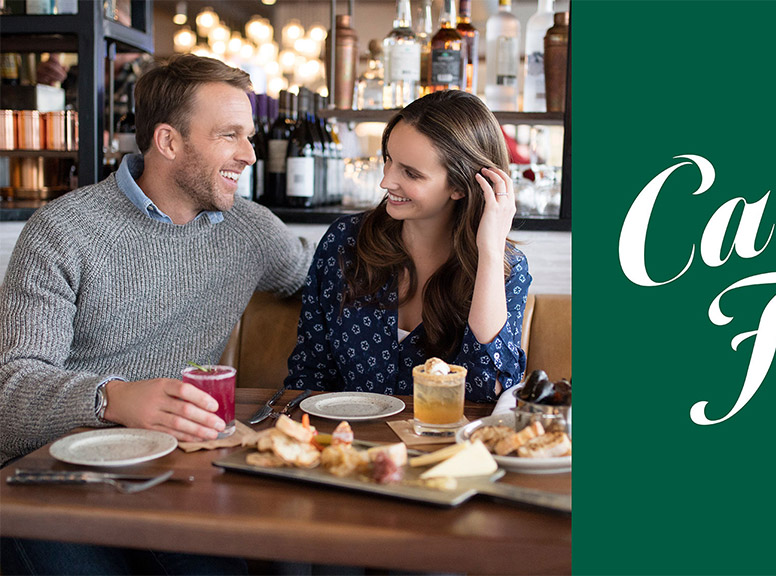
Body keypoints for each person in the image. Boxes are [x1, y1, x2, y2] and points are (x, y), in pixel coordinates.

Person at [0, 54, 315, 573]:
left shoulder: (251, 231)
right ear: (168, 142)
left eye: (249, 136)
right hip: (57, 474)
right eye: (229, 135)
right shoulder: (63, 230)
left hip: (174, 471)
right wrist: (113, 398)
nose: (250, 155)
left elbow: (333, 279)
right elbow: (9, 390)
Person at [286, 90, 530, 402]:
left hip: (450, 449)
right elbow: (308, 373)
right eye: (387, 160)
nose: (385, 181)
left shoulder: (506, 267)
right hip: (350, 444)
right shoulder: (345, 241)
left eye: (410, 173)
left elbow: (488, 390)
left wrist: (490, 254)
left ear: (460, 186)